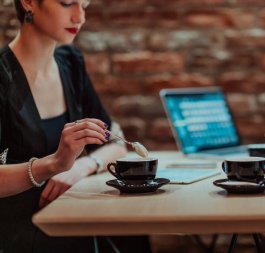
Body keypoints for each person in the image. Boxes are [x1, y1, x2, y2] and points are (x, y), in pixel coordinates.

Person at [0, 0, 151, 252]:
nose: (79, 17)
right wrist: (54, 164)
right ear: (28, 2)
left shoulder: (70, 62)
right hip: (23, 228)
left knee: (133, 234)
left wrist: (80, 166)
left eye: (84, 5)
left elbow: (117, 141)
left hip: (69, 212)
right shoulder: (3, 76)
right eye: (68, 3)